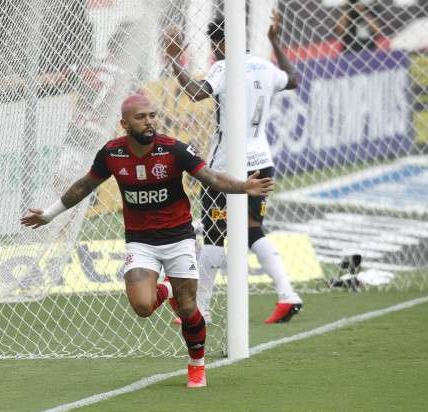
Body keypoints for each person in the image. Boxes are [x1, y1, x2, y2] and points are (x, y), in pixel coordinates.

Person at [20, 94, 274, 387]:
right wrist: (50, 215)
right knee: (143, 307)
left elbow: (211, 178)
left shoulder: (175, 150)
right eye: (141, 117)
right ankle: (165, 290)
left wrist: (244, 186)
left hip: (179, 238)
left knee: (189, 307)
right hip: (140, 242)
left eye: (153, 115)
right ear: (124, 123)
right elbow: (84, 185)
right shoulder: (112, 154)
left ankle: (197, 364)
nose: (150, 121)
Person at [163, 11, 303, 324]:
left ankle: (202, 309)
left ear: (226, 41)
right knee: (253, 230)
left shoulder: (224, 68)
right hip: (262, 161)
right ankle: (287, 294)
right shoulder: (266, 67)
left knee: (213, 235)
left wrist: (174, 60)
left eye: (215, 44)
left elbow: (195, 92)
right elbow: (293, 79)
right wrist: (274, 41)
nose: (214, 50)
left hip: (226, 167)